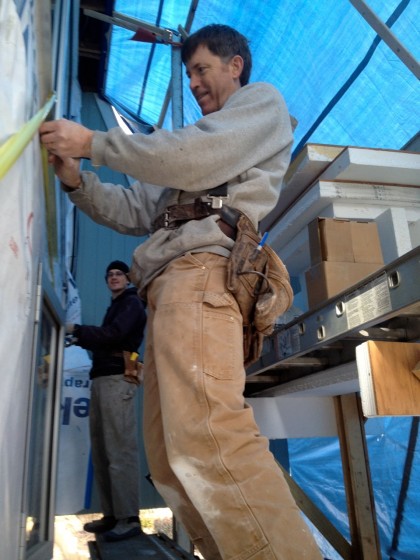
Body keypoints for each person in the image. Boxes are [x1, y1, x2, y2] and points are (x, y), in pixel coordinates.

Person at [40, 24, 322, 559]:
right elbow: (136, 210)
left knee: (209, 441)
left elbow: (188, 155)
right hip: (168, 287)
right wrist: (79, 180)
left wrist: (95, 143)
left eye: (202, 69)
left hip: (201, 274)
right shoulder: (187, 150)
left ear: (236, 65)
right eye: (188, 73)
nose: (193, 82)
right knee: (171, 457)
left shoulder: (258, 106)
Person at [66, 260, 147, 542]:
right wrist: (79, 337)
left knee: (120, 450)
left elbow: (114, 336)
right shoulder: (115, 307)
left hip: (117, 380)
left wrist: (77, 331)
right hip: (101, 379)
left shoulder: (132, 303)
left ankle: (129, 518)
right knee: (102, 451)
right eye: (109, 274)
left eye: (119, 274)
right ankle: (112, 515)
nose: (114, 277)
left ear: (127, 279)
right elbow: (104, 338)